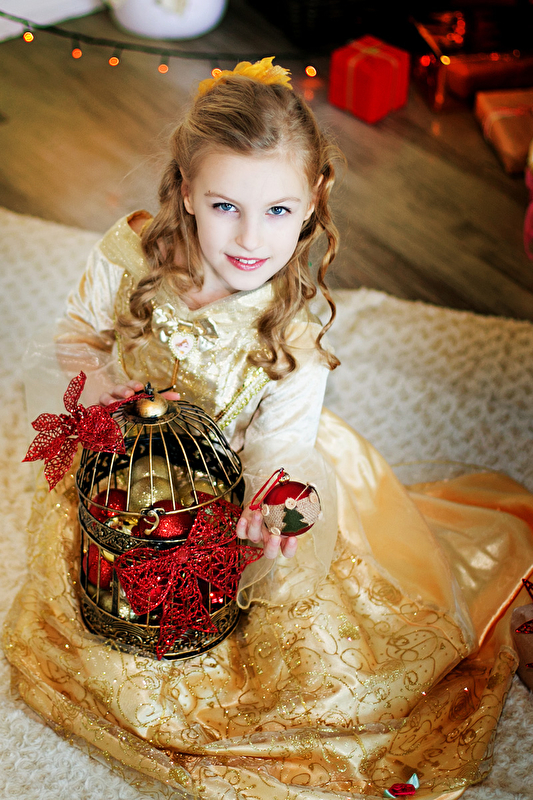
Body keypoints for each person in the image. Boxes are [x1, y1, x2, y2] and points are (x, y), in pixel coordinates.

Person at [4, 58, 533, 800]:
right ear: (185, 192)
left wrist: (270, 507)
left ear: (313, 202)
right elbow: (78, 330)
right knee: (95, 602)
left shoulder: (294, 330)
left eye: (278, 211)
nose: (251, 238)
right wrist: (94, 379)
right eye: (225, 206)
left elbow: (280, 445)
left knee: (301, 658)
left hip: (227, 481)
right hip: (131, 468)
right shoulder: (130, 254)